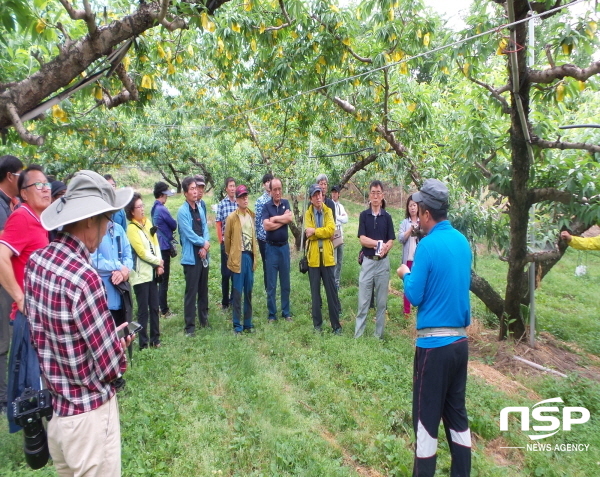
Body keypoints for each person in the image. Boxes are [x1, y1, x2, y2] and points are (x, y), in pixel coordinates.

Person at [25, 170, 134, 477]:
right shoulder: (84, 278)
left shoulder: (38, 262)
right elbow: (110, 366)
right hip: (89, 420)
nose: (107, 227)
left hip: (59, 417)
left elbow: (51, 335)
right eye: (105, 218)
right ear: (89, 220)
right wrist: (118, 347)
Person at [397, 179, 472, 477]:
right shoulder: (462, 242)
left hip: (434, 348)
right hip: (460, 345)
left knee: (426, 422)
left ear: (427, 214)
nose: (417, 218)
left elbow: (415, 295)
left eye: (419, 212)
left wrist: (405, 273)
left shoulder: (427, 246)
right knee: (456, 416)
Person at [0, 165, 50, 432]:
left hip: (42, 314)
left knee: (42, 377)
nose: (45, 189)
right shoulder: (22, 217)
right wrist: (20, 297)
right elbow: (1, 257)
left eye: (46, 184)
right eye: (37, 185)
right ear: (24, 193)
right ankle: (38, 435)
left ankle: (46, 428)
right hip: (28, 317)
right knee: (32, 380)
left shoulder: (40, 219)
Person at [354, 180, 395, 339]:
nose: (376, 196)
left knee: (381, 302)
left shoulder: (387, 217)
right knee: (363, 300)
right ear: (369, 196)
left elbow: (391, 239)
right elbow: (362, 239)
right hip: (368, 261)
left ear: (382, 196)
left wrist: (386, 246)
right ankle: (358, 335)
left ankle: (378, 335)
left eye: (378, 193)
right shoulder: (364, 216)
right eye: (373, 193)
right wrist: (377, 243)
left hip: (383, 263)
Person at [126, 193, 164, 350]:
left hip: (152, 273)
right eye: (139, 207)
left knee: (155, 307)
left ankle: (155, 339)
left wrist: (159, 263)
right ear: (131, 211)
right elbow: (141, 252)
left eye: (143, 205)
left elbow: (155, 244)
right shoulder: (131, 229)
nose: (142, 209)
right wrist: (157, 262)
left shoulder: (147, 223)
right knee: (143, 311)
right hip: (141, 276)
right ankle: (143, 343)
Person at [0, 154, 23, 414]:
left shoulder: (9, 204)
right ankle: (4, 398)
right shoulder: (0, 205)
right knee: (3, 341)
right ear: (10, 176)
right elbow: (4, 248)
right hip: (3, 284)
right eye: (21, 175)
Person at [304, 184, 342, 334]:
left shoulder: (328, 211)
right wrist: (321, 232)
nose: (318, 197)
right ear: (311, 198)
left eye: (320, 194)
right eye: (315, 195)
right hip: (313, 258)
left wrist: (315, 231)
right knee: (315, 293)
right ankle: (317, 325)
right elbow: (308, 233)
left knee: (331, 293)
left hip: (327, 257)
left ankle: (336, 326)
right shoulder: (308, 214)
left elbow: (331, 230)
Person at [177, 177, 211, 336]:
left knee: (203, 289)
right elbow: (188, 233)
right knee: (191, 291)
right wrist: (202, 244)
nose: (195, 191)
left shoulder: (200, 208)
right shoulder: (182, 211)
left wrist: (206, 244)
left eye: (195, 188)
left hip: (203, 255)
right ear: (185, 193)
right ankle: (189, 327)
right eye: (191, 189)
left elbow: (205, 227)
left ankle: (204, 320)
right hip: (191, 257)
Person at [224, 185, 259, 334]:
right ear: (237, 200)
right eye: (242, 197)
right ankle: (237, 325)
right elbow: (227, 240)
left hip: (249, 257)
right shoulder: (232, 217)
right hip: (238, 258)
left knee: (249, 291)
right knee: (237, 292)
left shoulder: (251, 216)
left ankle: (248, 324)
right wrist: (232, 254)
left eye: (246, 196)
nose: (245, 199)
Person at [90, 217, 133, 327]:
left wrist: (123, 273)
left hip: (121, 291)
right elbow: (96, 261)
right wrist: (118, 266)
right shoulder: (94, 230)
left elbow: (128, 255)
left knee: (123, 334)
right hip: (104, 295)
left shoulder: (118, 229)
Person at [262, 177, 293, 322]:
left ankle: (286, 312)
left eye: (280, 189)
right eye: (275, 189)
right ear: (270, 191)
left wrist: (274, 219)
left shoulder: (286, 203)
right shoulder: (266, 206)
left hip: (284, 248)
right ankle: (272, 314)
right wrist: (282, 219)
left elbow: (290, 219)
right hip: (271, 248)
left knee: (285, 282)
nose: (278, 192)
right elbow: (266, 226)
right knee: (272, 283)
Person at [151, 181, 177, 319]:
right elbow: (173, 225)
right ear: (162, 195)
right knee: (164, 280)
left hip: (157, 246)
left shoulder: (154, 208)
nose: (167, 197)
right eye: (166, 195)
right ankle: (164, 309)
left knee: (159, 278)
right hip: (164, 247)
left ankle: (159, 306)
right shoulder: (162, 209)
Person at [216, 177, 237, 309]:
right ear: (226, 189)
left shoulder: (237, 203)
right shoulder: (222, 204)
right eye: (230, 186)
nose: (232, 188)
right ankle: (225, 302)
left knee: (235, 272)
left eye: (234, 186)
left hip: (237, 244)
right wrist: (221, 240)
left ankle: (234, 299)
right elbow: (218, 224)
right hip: (226, 242)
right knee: (226, 273)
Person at [398, 194, 421, 317]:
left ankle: (419, 310)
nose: (412, 208)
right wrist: (410, 230)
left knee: (420, 283)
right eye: (410, 205)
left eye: (414, 205)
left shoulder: (422, 222)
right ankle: (406, 311)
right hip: (408, 259)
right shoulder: (404, 223)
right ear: (407, 208)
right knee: (407, 284)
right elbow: (400, 238)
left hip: (419, 259)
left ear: (418, 207)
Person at [254, 173, 273, 293]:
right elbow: (257, 220)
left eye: (271, 180)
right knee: (267, 264)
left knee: (274, 264)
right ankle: (268, 288)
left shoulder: (276, 199)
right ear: (263, 184)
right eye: (267, 181)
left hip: (275, 237)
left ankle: (273, 286)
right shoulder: (260, 201)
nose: (269, 183)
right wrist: (258, 235)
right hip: (263, 238)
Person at [331, 185, 348, 290]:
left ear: (338, 194)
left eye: (335, 192)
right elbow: (332, 219)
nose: (334, 194)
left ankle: (337, 281)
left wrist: (338, 217)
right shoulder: (329, 205)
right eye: (332, 192)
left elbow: (345, 219)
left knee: (340, 259)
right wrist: (339, 218)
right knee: (334, 259)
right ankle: (332, 282)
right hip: (333, 232)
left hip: (340, 232)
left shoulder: (340, 206)